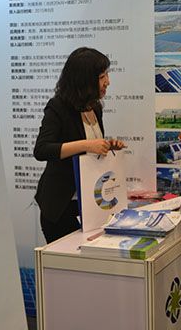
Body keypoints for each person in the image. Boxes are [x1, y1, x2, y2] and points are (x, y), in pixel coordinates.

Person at [34, 47, 125, 243]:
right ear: (84, 80)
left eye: (106, 75)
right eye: (102, 77)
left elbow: (90, 152)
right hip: (60, 206)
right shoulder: (57, 107)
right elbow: (42, 149)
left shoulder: (95, 107)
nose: (107, 82)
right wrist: (87, 145)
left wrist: (107, 146)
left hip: (90, 203)